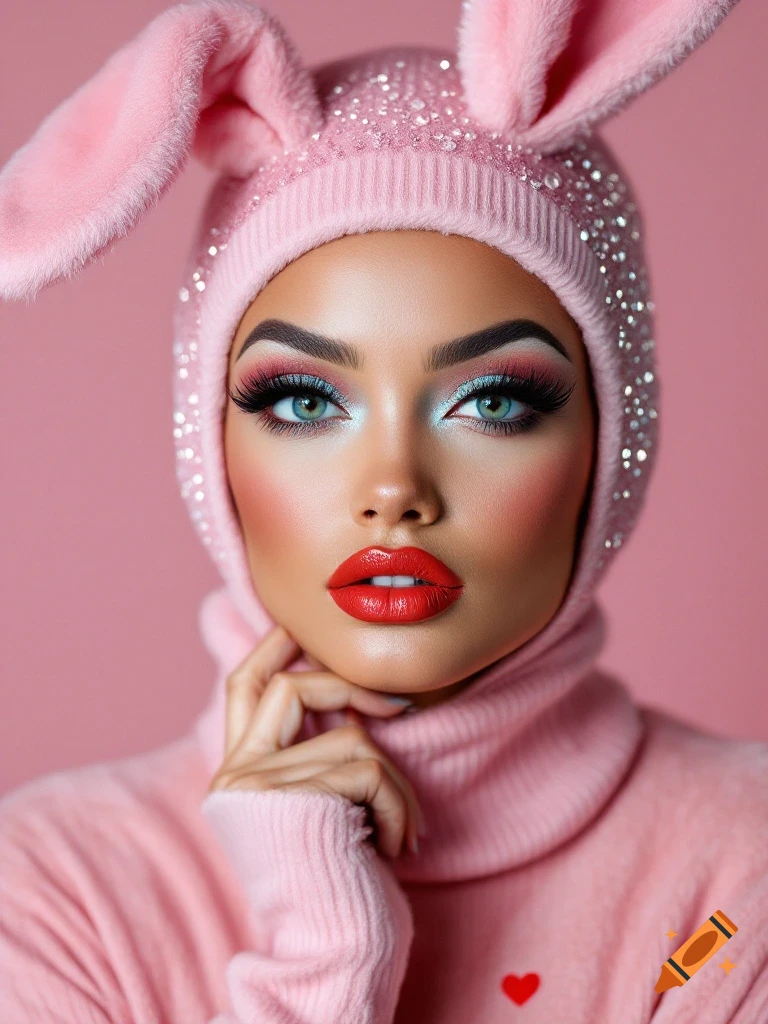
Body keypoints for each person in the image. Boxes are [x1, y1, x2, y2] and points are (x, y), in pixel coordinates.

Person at [0, 0, 765, 1021]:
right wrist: (323, 954)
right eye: (304, 401)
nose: (394, 487)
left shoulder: (742, 872)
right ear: (211, 440)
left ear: (608, 440)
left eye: (493, 400)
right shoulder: (54, 899)